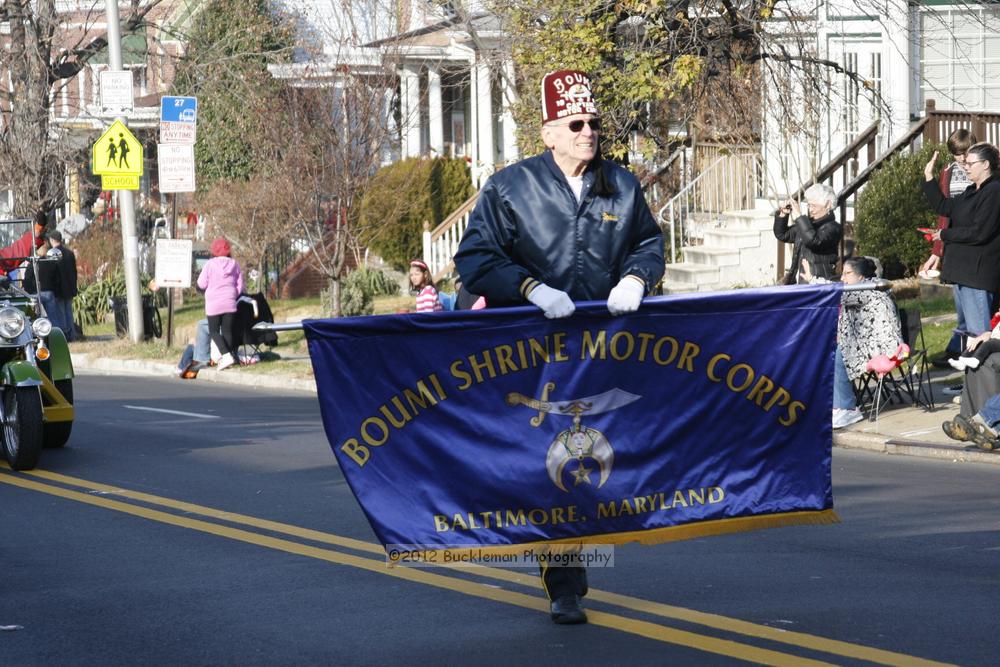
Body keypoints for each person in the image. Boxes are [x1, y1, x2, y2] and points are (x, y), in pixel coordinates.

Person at [454, 69, 664, 625]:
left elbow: (648, 242)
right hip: (531, 350)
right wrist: (530, 288)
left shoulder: (621, 185)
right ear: (548, 132)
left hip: (603, 348)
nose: (588, 132)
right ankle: (564, 584)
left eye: (594, 122)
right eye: (576, 123)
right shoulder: (509, 187)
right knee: (556, 466)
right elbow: (474, 259)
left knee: (602, 458)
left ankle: (578, 559)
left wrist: (638, 278)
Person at [921, 129, 977, 369]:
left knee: (978, 310)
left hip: (980, 247)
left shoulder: (987, 169)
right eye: (957, 155)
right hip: (956, 248)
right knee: (963, 307)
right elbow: (945, 213)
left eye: (965, 153)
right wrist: (937, 251)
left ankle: (962, 355)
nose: (963, 160)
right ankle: (959, 354)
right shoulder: (949, 173)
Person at [773, 183, 842, 284]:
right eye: (809, 205)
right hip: (799, 281)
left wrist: (798, 216)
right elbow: (783, 234)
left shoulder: (833, 228)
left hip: (819, 283)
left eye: (814, 206)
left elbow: (814, 241)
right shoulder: (807, 224)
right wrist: (783, 214)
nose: (810, 210)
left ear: (827, 205)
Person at [197, 237, 244, 371]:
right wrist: (233, 294)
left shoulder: (210, 264)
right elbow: (240, 286)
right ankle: (228, 358)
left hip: (214, 303)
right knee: (227, 331)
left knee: (213, 331)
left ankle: (226, 356)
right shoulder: (234, 264)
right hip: (230, 302)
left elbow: (201, 283)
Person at [47, 230, 78, 341]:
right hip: (69, 287)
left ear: (52, 240)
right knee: (69, 312)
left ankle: (65, 336)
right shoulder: (69, 253)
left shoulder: (52, 254)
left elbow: (52, 272)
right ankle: (72, 335)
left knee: (61, 313)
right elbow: (74, 272)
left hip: (58, 288)